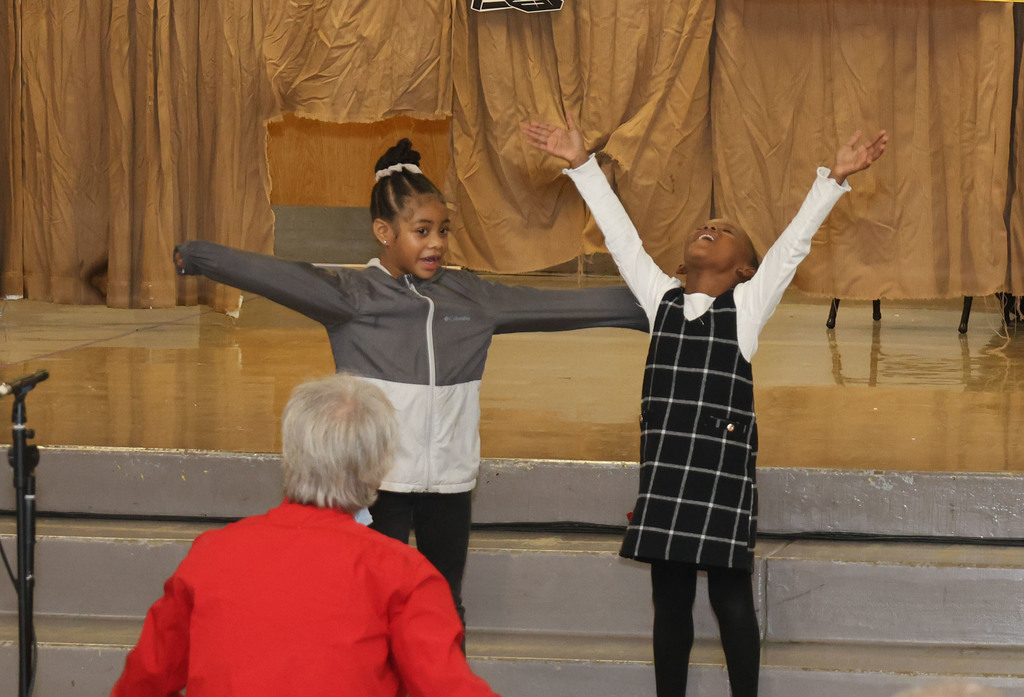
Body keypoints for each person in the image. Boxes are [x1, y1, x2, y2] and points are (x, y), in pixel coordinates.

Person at [173, 138, 647, 625]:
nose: (437, 243)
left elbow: (565, 307)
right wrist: (198, 257)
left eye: (443, 230)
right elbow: (272, 274)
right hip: (376, 485)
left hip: (450, 486)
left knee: (443, 607)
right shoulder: (352, 297)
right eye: (422, 231)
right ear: (384, 231)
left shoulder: (471, 298)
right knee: (374, 609)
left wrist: (661, 307)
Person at [523, 115, 887, 697]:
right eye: (704, 224)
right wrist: (581, 166)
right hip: (667, 476)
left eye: (723, 230)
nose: (708, 228)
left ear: (745, 268)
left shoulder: (745, 310)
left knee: (730, 601)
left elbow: (792, 248)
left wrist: (833, 180)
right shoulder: (659, 298)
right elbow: (620, 236)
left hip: (718, 480)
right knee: (669, 606)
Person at [110, 373, 501, 697]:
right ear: (378, 467)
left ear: (291, 455)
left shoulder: (213, 552)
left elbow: (145, 680)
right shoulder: (402, 572)